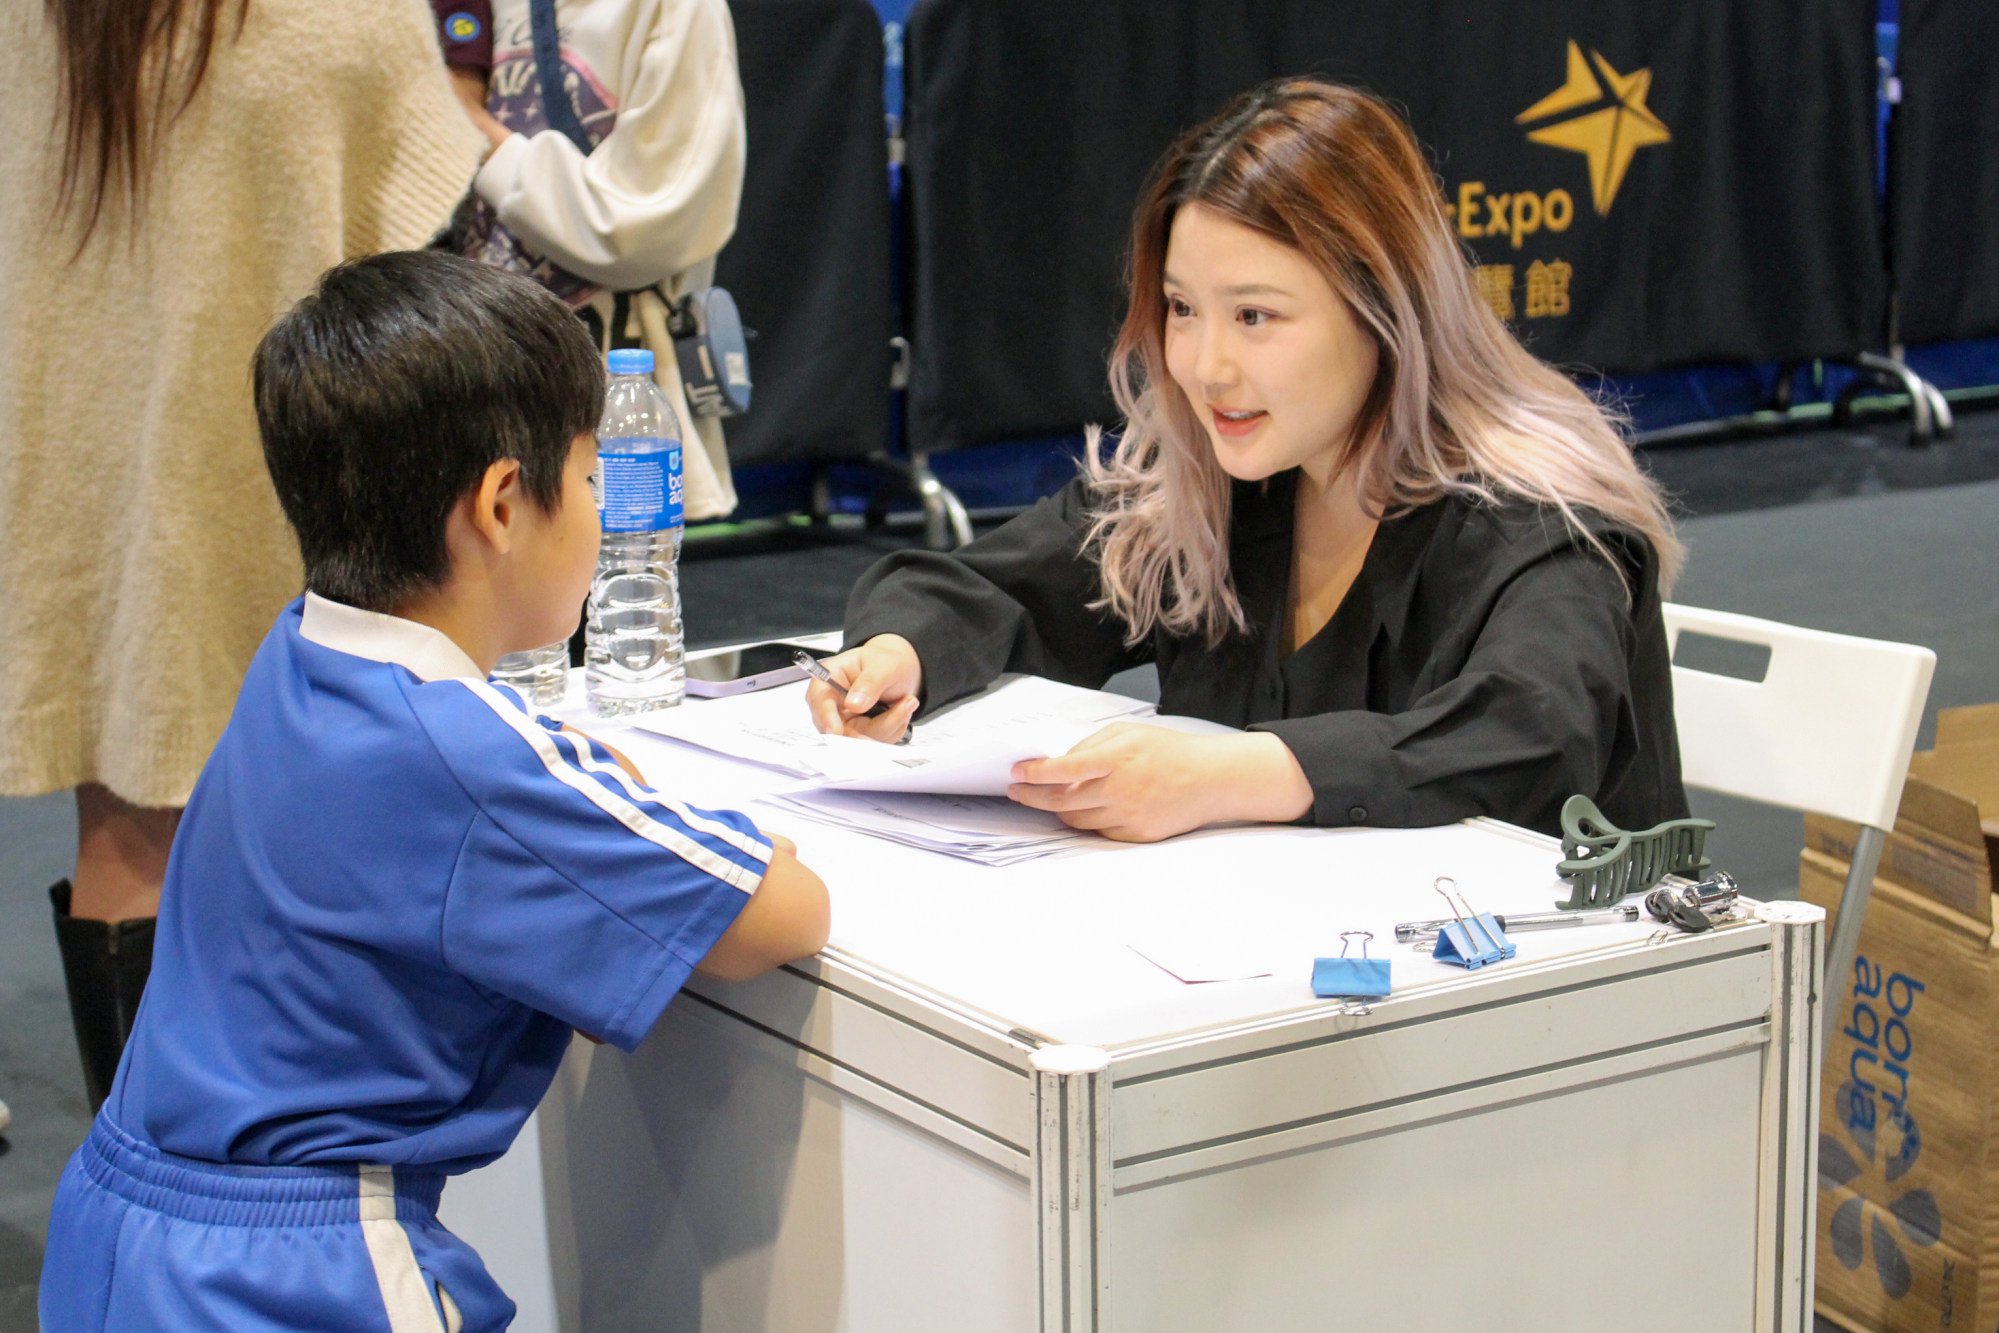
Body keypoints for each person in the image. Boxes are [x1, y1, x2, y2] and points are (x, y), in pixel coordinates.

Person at [38, 252, 831, 1331]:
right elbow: (774, 915)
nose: (600, 512)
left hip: (118, 1226)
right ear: (504, 505)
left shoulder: (302, 653)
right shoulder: (466, 754)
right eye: (593, 482)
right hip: (295, 1273)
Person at [808, 79, 1688, 844]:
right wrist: (899, 653)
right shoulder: (1219, 480)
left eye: (1256, 316)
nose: (1204, 366)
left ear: (1383, 311)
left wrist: (1219, 774)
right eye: (1182, 308)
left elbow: (1532, 731)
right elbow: (1002, 586)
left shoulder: (1539, 518)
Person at [1, 0, 485, 1111]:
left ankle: (145, 1207)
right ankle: (286, 1212)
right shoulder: (336, 13)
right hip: (279, 471)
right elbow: (411, 211)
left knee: (128, 830)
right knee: (332, 841)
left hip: (80, 470)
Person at [442, 0, 749, 520]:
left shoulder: (679, 11)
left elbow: (636, 228)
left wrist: (473, 130)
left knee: (612, 592)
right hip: (465, 390)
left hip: (614, 423)